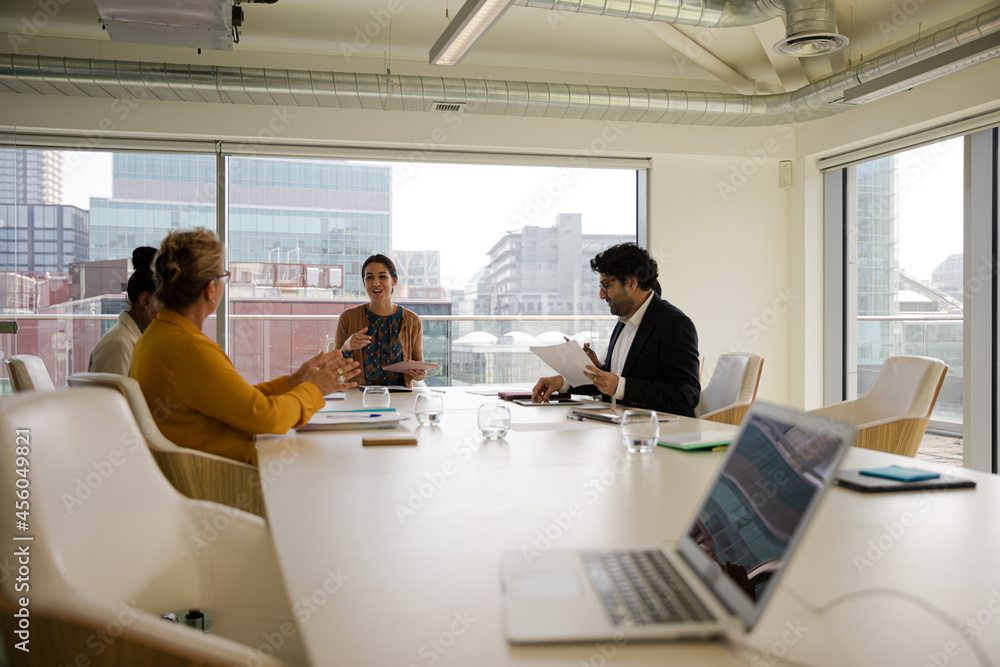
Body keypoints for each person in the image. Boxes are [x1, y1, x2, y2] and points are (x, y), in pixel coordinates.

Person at [131, 228, 360, 466]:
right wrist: (315, 389)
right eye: (224, 277)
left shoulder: (156, 336)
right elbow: (265, 417)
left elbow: (242, 403)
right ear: (210, 289)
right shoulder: (187, 349)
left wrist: (294, 382)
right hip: (225, 480)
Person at [531, 242, 701, 417]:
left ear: (631, 282)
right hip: (620, 427)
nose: (602, 295)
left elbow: (687, 394)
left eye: (607, 285)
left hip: (660, 434)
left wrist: (621, 387)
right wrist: (563, 383)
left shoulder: (674, 323)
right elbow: (611, 380)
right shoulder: (623, 322)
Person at [334, 254, 426, 388]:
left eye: (382, 277)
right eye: (370, 277)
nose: (375, 283)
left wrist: (419, 374)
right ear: (364, 283)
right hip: (359, 397)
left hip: (400, 398)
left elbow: (420, 368)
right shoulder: (348, 317)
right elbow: (335, 368)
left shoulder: (412, 320)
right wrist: (346, 347)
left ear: (394, 281)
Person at [88, 246, 160, 375]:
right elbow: (106, 395)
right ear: (145, 300)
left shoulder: (142, 338)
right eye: (167, 303)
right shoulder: (117, 344)